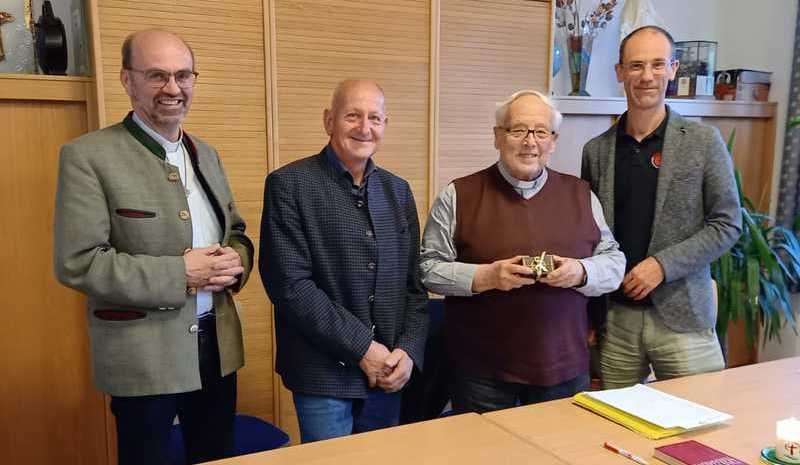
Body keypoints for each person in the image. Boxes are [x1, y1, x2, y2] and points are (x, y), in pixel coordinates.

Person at [53, 29, 254, 465]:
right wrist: (181, 273)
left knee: (217, 456)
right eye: (157, 75)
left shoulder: (207, 154)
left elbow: (236, 231)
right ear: (127, 80)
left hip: (217, 348)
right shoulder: (88, 156)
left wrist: (237, 258)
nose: (173, 88)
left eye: (183, 75)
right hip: (144, 356)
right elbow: (79, 262)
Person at [420, 89, 625, 414]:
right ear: (497, 137)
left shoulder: (581, 194)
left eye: (541, 132)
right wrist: (486, 276)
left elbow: (614, 263)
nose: (530, 142)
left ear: (553, 141)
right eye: (518, 130)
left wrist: (581, 272)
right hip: (480, 372)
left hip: (563, 367)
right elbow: (428, 269)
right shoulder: (458, 195)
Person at [260, 79, 428, 442]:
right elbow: (290, 286)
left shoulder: (398, 191)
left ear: (385, 124)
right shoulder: (289, 185)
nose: (364, 128)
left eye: (374, 118)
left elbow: (414, 286)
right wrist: (363, 348)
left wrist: (408, 350)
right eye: (352, 116)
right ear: (328, 120)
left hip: (388, 372)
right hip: (323, 375)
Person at [581, 26, 742, 389]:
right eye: (636, 65)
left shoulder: (703, 141)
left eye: (657, 64)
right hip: (616, 320)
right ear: (620, 72)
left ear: (673, 69)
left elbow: (727, 223)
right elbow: (588, 235)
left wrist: (661, 266)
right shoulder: (596, 151)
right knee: (614, 418)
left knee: (701, 418)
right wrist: (588, 314)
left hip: (684, 318)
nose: (647, 76)